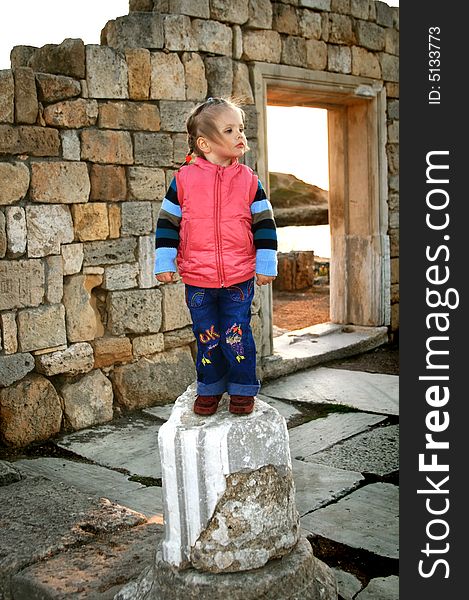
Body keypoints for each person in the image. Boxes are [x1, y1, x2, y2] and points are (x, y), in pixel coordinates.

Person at [154, 97, 277, 416]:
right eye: (229, 129)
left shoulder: (249, 180)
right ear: (204, 143)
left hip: (238, 278)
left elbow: (264, 224)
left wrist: (265, 263)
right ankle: (209, 386)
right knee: (207, 335)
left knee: (236, 334)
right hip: (197, 280)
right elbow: (168, 223)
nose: (240, 135)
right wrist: (164, 261)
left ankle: (242, 388)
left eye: (241, 128)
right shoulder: (183, 180)